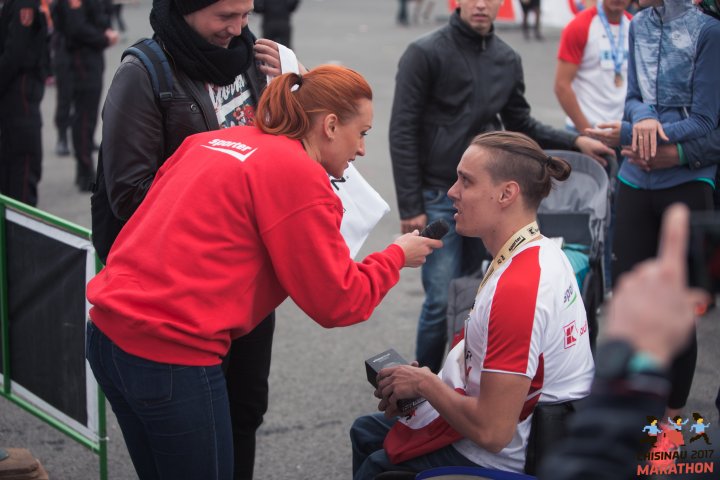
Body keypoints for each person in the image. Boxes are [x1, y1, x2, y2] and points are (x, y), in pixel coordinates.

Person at [86, 65, 442, 480]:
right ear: (329, 125)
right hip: (171, 353)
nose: (362, 150)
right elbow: (339, 301)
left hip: (108, 334)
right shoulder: (299, 174)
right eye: (361, 133)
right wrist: (396, 255)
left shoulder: (218, 139)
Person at [93, 0, 295, 477]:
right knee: (195, 432)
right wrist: (237, 213)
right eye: (225, 17)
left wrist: (297, 84)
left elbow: (287, 146)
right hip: (183, 295)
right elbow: (130, 196)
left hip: (246, 284)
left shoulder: (254, 61)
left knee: (245, 410)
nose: (239, 28)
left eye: (245, 14)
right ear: (186, 10)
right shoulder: (144, 74)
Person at [351, 131, 595, 479]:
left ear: (506, 193)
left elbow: (493, 432)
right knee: (365, 432)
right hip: (530, 425)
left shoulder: (518, 288)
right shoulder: (539, 251)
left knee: (379, 467)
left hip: (506, 454)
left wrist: (424, 385)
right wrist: (426, 380)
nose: (451, 191)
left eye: (465, 181)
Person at [389, 0, 614, 374]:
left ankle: (467, 377)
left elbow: (520, 123)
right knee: (441, 298)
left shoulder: (507, 58)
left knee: (480, 292)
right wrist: (410, 204)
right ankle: (421, 384)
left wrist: (575, 142)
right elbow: (402, 131)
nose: (481, 4)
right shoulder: (424, 53)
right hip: (437, 194)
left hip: (487, 198)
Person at [586, 0, 720, 422]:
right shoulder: (638, 23)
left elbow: (705, 121)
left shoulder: (708, 31)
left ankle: (671, 421)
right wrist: (640, 120)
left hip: (688, 183)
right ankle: (637, 414)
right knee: (630, 301)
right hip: (633, 179)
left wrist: (639, 135)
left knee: (678, 308)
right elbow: (634, 98)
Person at [538, 203, 709, 480]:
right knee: (671, 317)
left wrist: (627, 370)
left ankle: (669, 429)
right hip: (637, 187)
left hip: (688, 181)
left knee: (680, 317)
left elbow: (587, 469)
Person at [52, 0, 118, 191]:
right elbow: (76, 28)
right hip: (80, 62)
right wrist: (104, 38)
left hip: (90, 60)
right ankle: (84, 171)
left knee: (87, 117)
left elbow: (100, 14)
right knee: (83, 118)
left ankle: (85, 165)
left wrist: (106, 29)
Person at [554, 0, 632, 135]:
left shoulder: (635, 26)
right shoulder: (580, 25)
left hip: (623, 132)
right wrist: (588, 133)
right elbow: (562, 85)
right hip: (584, 130)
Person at [0, 0, 49, 206]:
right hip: (15, 94)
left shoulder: (23, 2)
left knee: (21, 169)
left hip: (20, 92)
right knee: (17, 168)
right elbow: (13, 55)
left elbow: (15, 53)